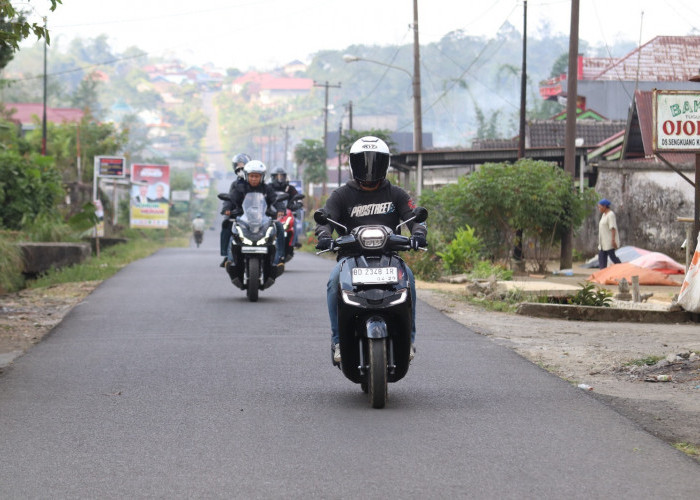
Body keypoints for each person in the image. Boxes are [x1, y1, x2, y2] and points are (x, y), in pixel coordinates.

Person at [314, 136, 427, 364]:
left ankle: (409, 341)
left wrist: (418, 234)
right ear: (353, 165)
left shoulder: (397, 194)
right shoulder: (341, 195)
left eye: (374, 162)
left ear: (384, 164)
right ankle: (338, 341)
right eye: (363, 162)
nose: (368, 168)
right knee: (333, 281)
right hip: (350, 258)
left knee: (410, 281)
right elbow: (325, 220)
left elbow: (414, 217)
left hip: (389, 257)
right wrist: (324, 236)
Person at [228, 159, 286, 274]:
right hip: (243, 219)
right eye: (251, 176)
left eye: (257, 176)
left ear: (262, 177)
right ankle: (230, 260)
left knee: (279, 227)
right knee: (233, 231)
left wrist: (280, 209)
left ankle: (278, 259)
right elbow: (231, 200)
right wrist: (227, 209)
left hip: (263, 219)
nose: (254, 179)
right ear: (246, 176)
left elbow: (276, 199)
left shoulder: (267, 189)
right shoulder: (240, 188)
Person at [220, 153, 251, 267]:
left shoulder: (259, 181)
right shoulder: (235, 184)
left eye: (243, 165)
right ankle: (228, 256)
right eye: (238, 165)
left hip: (256, 214)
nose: (240, 168)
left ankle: (275, 258)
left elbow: (267, 198)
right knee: (227, 224)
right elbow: (230, 198)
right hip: (239, 214)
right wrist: (227, 208)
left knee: (273, 228)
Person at [597, 198, 621, 269]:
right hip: (603, 243)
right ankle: (602, 274)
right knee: (601, 258)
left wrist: (613, 240)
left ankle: (622, 268)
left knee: (613, 258)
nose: (599, 209)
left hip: (609, 242)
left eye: (600, 207)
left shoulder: (610, 215)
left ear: (604, 206)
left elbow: (613, 228)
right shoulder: (604, 215)